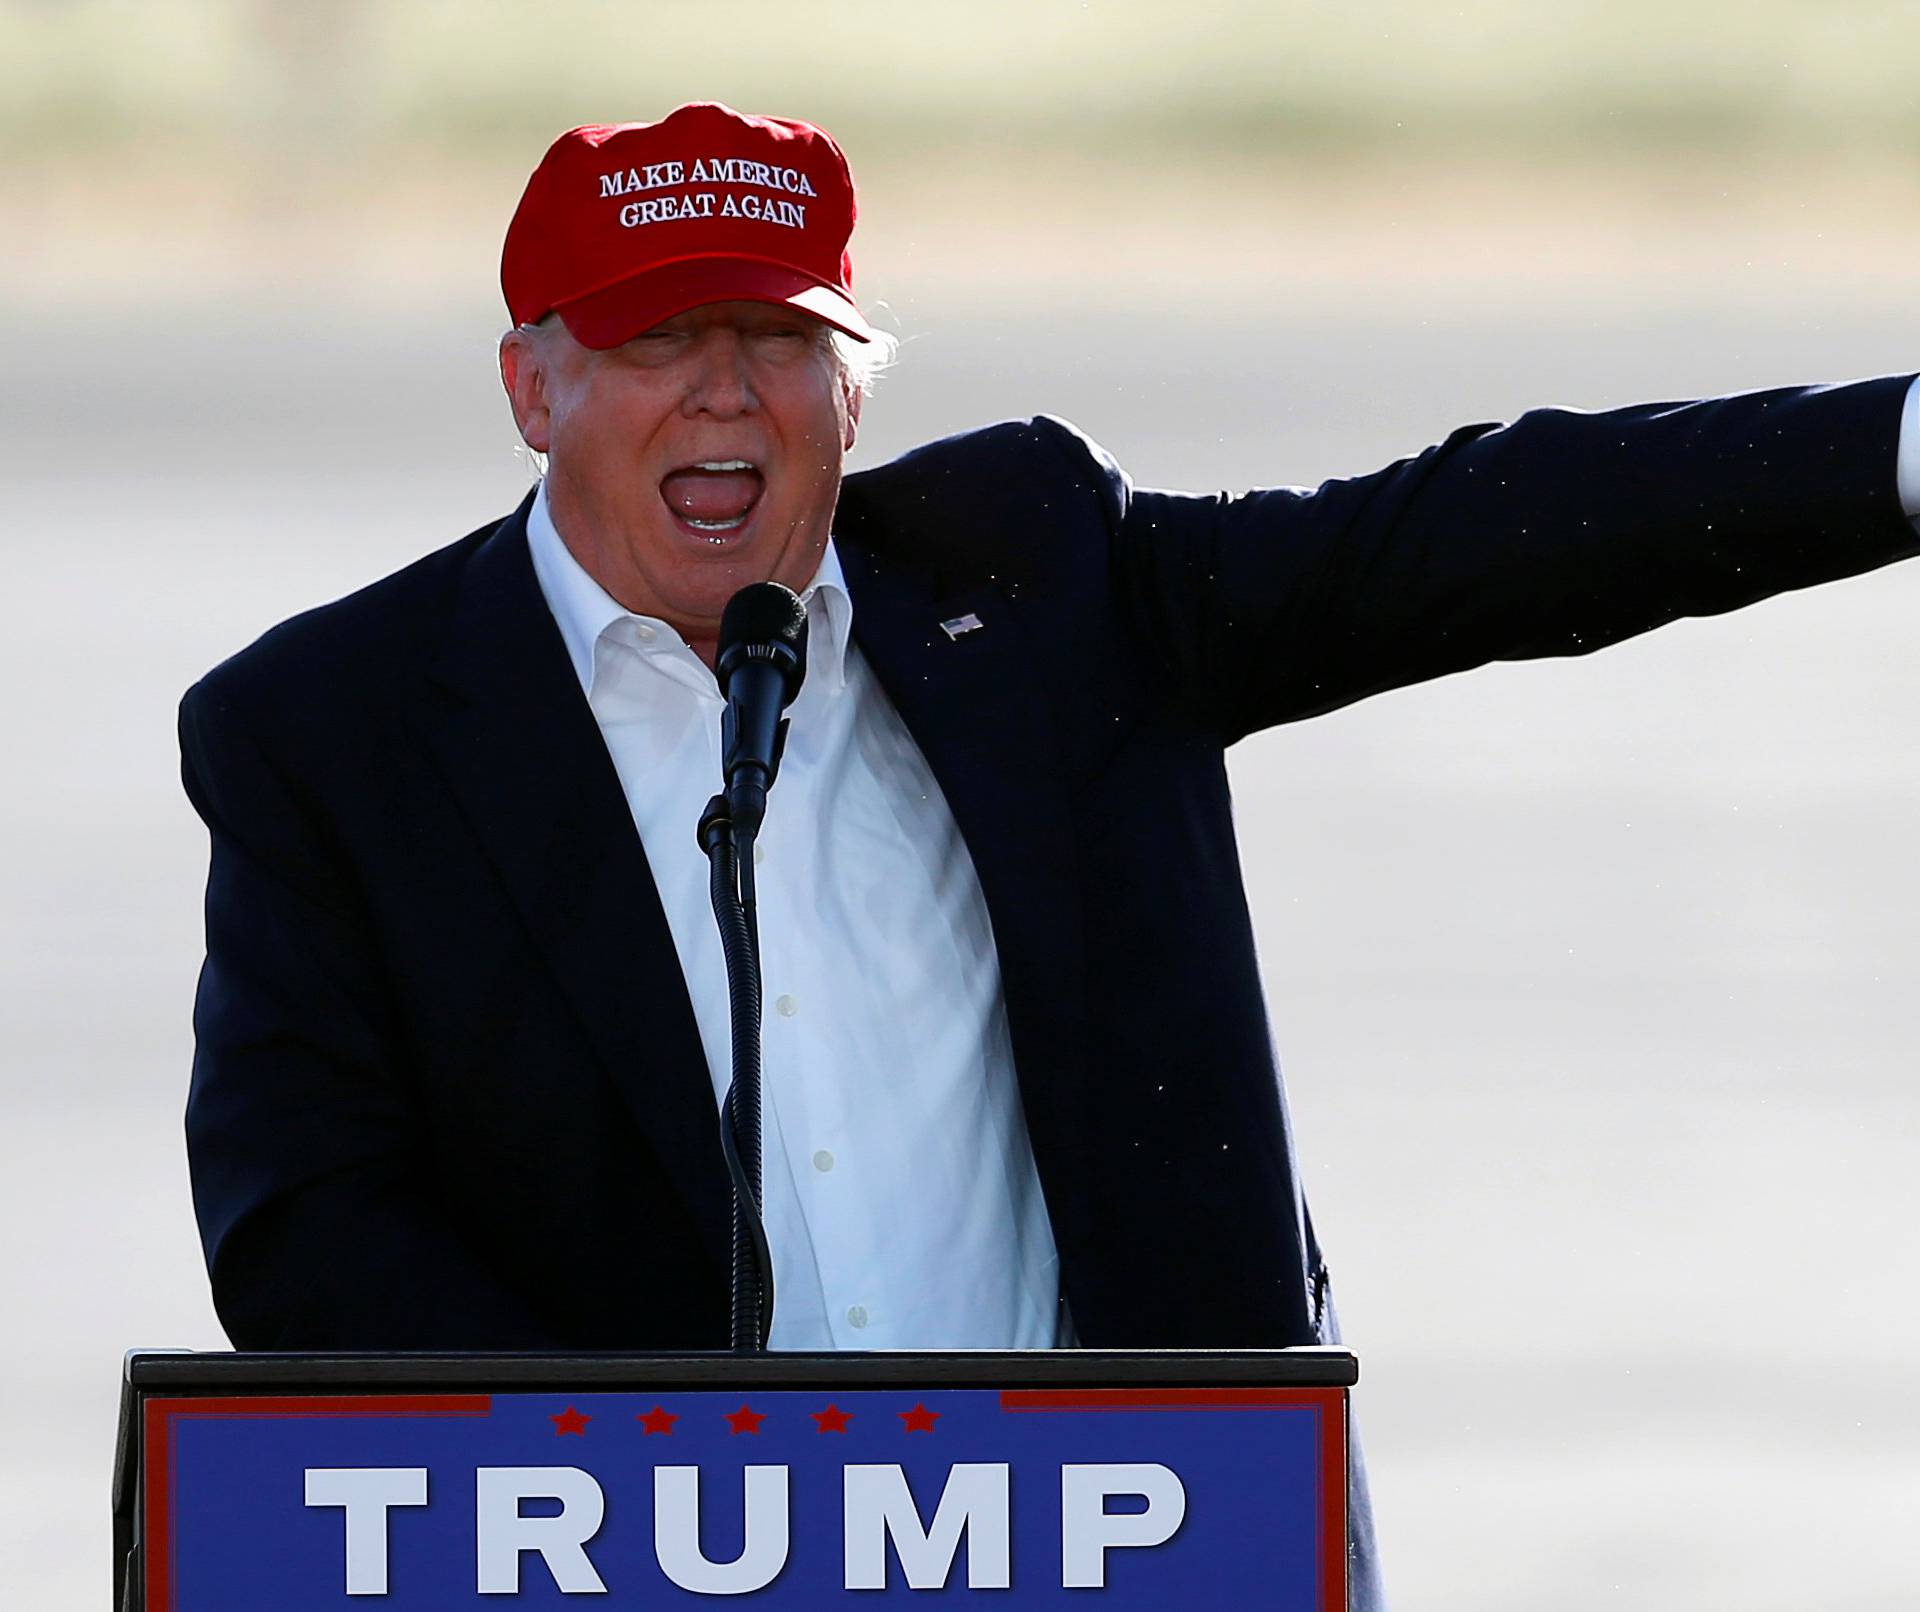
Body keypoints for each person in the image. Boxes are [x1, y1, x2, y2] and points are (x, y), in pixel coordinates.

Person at [178, 101, 1920, 1609]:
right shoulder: (336, 732)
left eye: (780, 339)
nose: (725, 391)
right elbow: (310, 1235)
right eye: (652, 343)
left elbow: (1467, 535)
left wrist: (1896, 451)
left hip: (1139, 1548)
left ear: (854, 387)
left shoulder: (1038, 589)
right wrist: (681, 1515)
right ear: (529, 384)